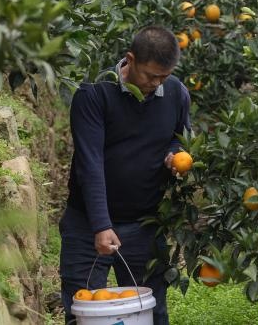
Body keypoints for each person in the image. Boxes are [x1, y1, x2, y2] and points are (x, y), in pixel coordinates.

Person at [59, 25, 192, 325]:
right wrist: (101, 225)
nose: (156, 83)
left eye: (164, 76)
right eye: (150, 75)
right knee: (82, 310)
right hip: (86, 224)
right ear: (130, 60)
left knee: (150, 311)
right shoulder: (94, 93)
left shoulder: (175, 93)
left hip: (144, 225)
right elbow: (89, 163)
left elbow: (181, 136)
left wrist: (174, 154)